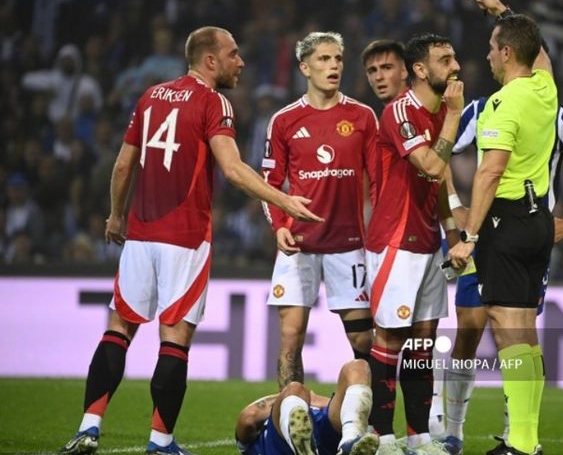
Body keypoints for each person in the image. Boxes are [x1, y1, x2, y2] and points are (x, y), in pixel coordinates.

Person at [60, 26, 322, 455]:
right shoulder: (213, 101)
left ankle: (88, 428)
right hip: (185, 237)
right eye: (233, 55)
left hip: (140, 236)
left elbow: (124, 165)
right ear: (210, 61)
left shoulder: (150, 97)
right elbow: (234, 170)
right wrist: (284, 200)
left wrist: (115, 214)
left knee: (118, 329)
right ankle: (160, 441)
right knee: (175, 338)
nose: (241, 63)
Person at [447, 0, 558, 453]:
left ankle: (523, 445)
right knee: (525, 335)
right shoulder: (543, 89)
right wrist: (500, 10)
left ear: (507, 53)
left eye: (494, 47)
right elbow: (542, 58)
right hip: (540, 222)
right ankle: (526, 440)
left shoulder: (501, 103)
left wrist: (468, 236)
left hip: (507, 223)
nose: (488, 55)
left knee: (508, 331)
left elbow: (489, 172)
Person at [364, 33, 463, 455]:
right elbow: (428, 163)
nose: (455, 65)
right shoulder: (399, 111)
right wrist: (456, 116)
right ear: (421, 70)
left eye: (454, 56)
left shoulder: (439, 111)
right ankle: (382, 436)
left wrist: (454, 235)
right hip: (394, 243)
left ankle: (418, 436)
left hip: (427, 244)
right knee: (389, 341)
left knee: (423, 342)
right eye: (445, 59)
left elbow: (438, 180)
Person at [262, 32, 378, 389]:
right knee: (291, 337)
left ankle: (367, 419)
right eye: (324, 59)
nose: (333, 66)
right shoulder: (284, 120)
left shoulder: (362, 116)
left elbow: (379, 182)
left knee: (362, 340)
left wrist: (377, 234)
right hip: (299, 244)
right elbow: (268, 183)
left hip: (349, 244)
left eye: (338, 59)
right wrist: (279, 226)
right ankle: (287, 419)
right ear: (305, 67)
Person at [235, 359, 379, 455]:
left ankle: (349, 442)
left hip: (320, 426)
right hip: (280, 442)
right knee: (295, 388)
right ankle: (302, 448)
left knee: (358, 367)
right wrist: (311, 397)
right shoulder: (256, 439)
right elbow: (249, 417)